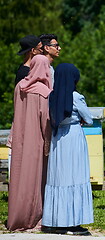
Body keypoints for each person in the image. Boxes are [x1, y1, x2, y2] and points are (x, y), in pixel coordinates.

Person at [41, 63, 94, 235]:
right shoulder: (76, 97)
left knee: (58, 178)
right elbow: (89, 119)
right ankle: (73, 222)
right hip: (73, 137)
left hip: (58, 139)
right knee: (75, 176)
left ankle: (54, 221)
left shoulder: (52, 96)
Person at [7, 55, 52, 230]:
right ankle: (32, 218)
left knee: (19, 178)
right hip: (36, 140)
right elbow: (45, 122)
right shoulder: (43, 91)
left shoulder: (20, 87)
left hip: (20, 137)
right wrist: (48, 143)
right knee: (35, 180)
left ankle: (16, 217)